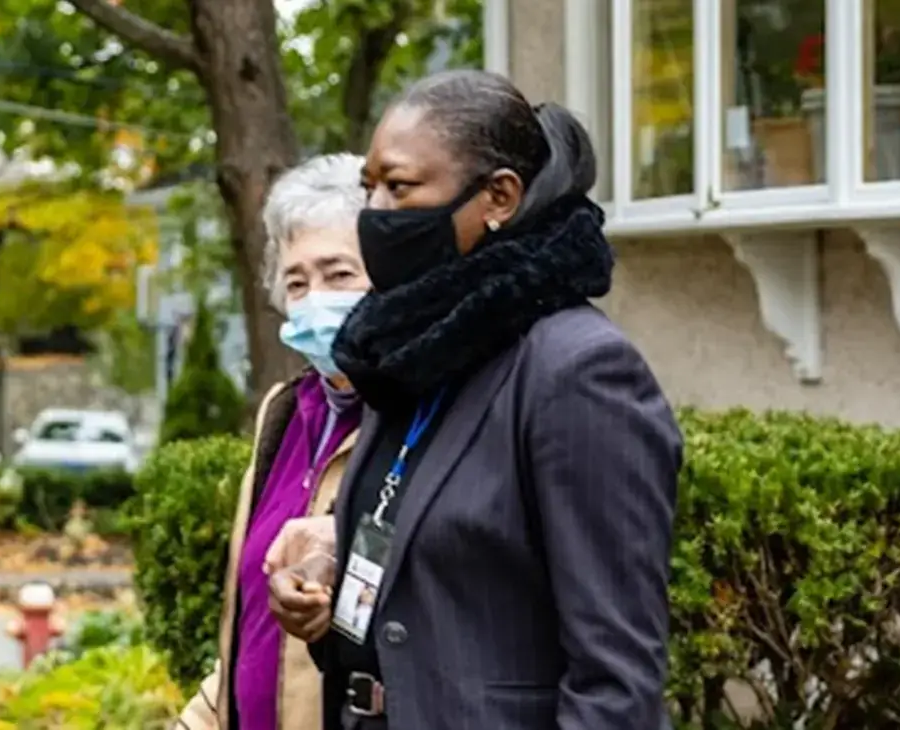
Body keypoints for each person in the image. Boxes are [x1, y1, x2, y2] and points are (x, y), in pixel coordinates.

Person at [264, 69, 683, 730]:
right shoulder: (409, 357)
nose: (373, 213)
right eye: (368, 187)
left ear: (498, 197)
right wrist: (331, 590)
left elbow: (616, 679)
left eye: (399, 188)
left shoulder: (576, 370)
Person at [173, 154, 371, 730]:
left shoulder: (414, 418)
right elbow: (251, 628)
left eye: (339, 275)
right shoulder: (285, 414)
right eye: (297, 281)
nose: (315, 300)